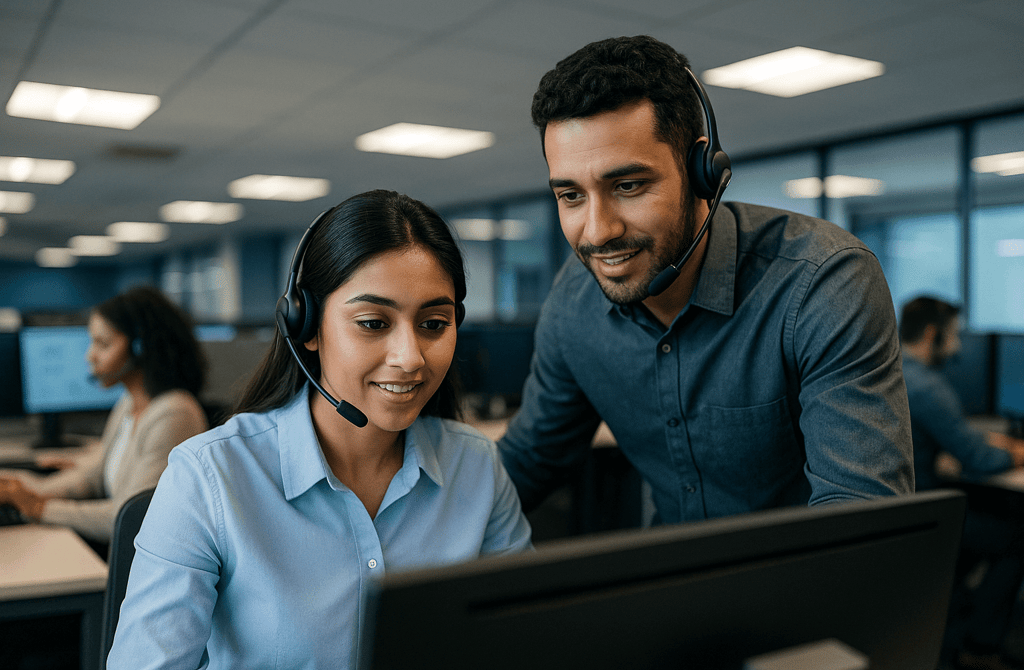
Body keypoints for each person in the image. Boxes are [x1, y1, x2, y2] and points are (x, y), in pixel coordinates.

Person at [106, 190, 532, 670]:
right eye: (373, 323)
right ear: (305, 326)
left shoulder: (475, 465)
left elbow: (518, 642)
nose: (410, 357)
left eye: (434, 324)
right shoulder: (209, 478)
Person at [498, 35, 914, 524]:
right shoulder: (574, 301)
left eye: (628, 186)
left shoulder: (823, 282)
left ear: (702, 172)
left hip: (805, 585)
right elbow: (530, 461)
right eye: (571, 195)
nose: (598, 232)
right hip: (672, 584)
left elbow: (861, 519)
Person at [0, 286, 209, 546]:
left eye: (103, 343)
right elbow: (93, 477)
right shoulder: (128, 403)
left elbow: (129, 517)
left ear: (139, 346)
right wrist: (18, 488)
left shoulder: (174, 413)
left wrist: (40, 508)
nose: (90, 356)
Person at [900, 296, 1024, 670]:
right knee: (1016, 535)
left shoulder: (893, 372)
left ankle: (951, 615)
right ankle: (979, 645)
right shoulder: (928, 387)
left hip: (902, 510)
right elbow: (980, 459)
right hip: (925, 515)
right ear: (933, 334)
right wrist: (1019, 452)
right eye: (954, 336)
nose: (957, 347)